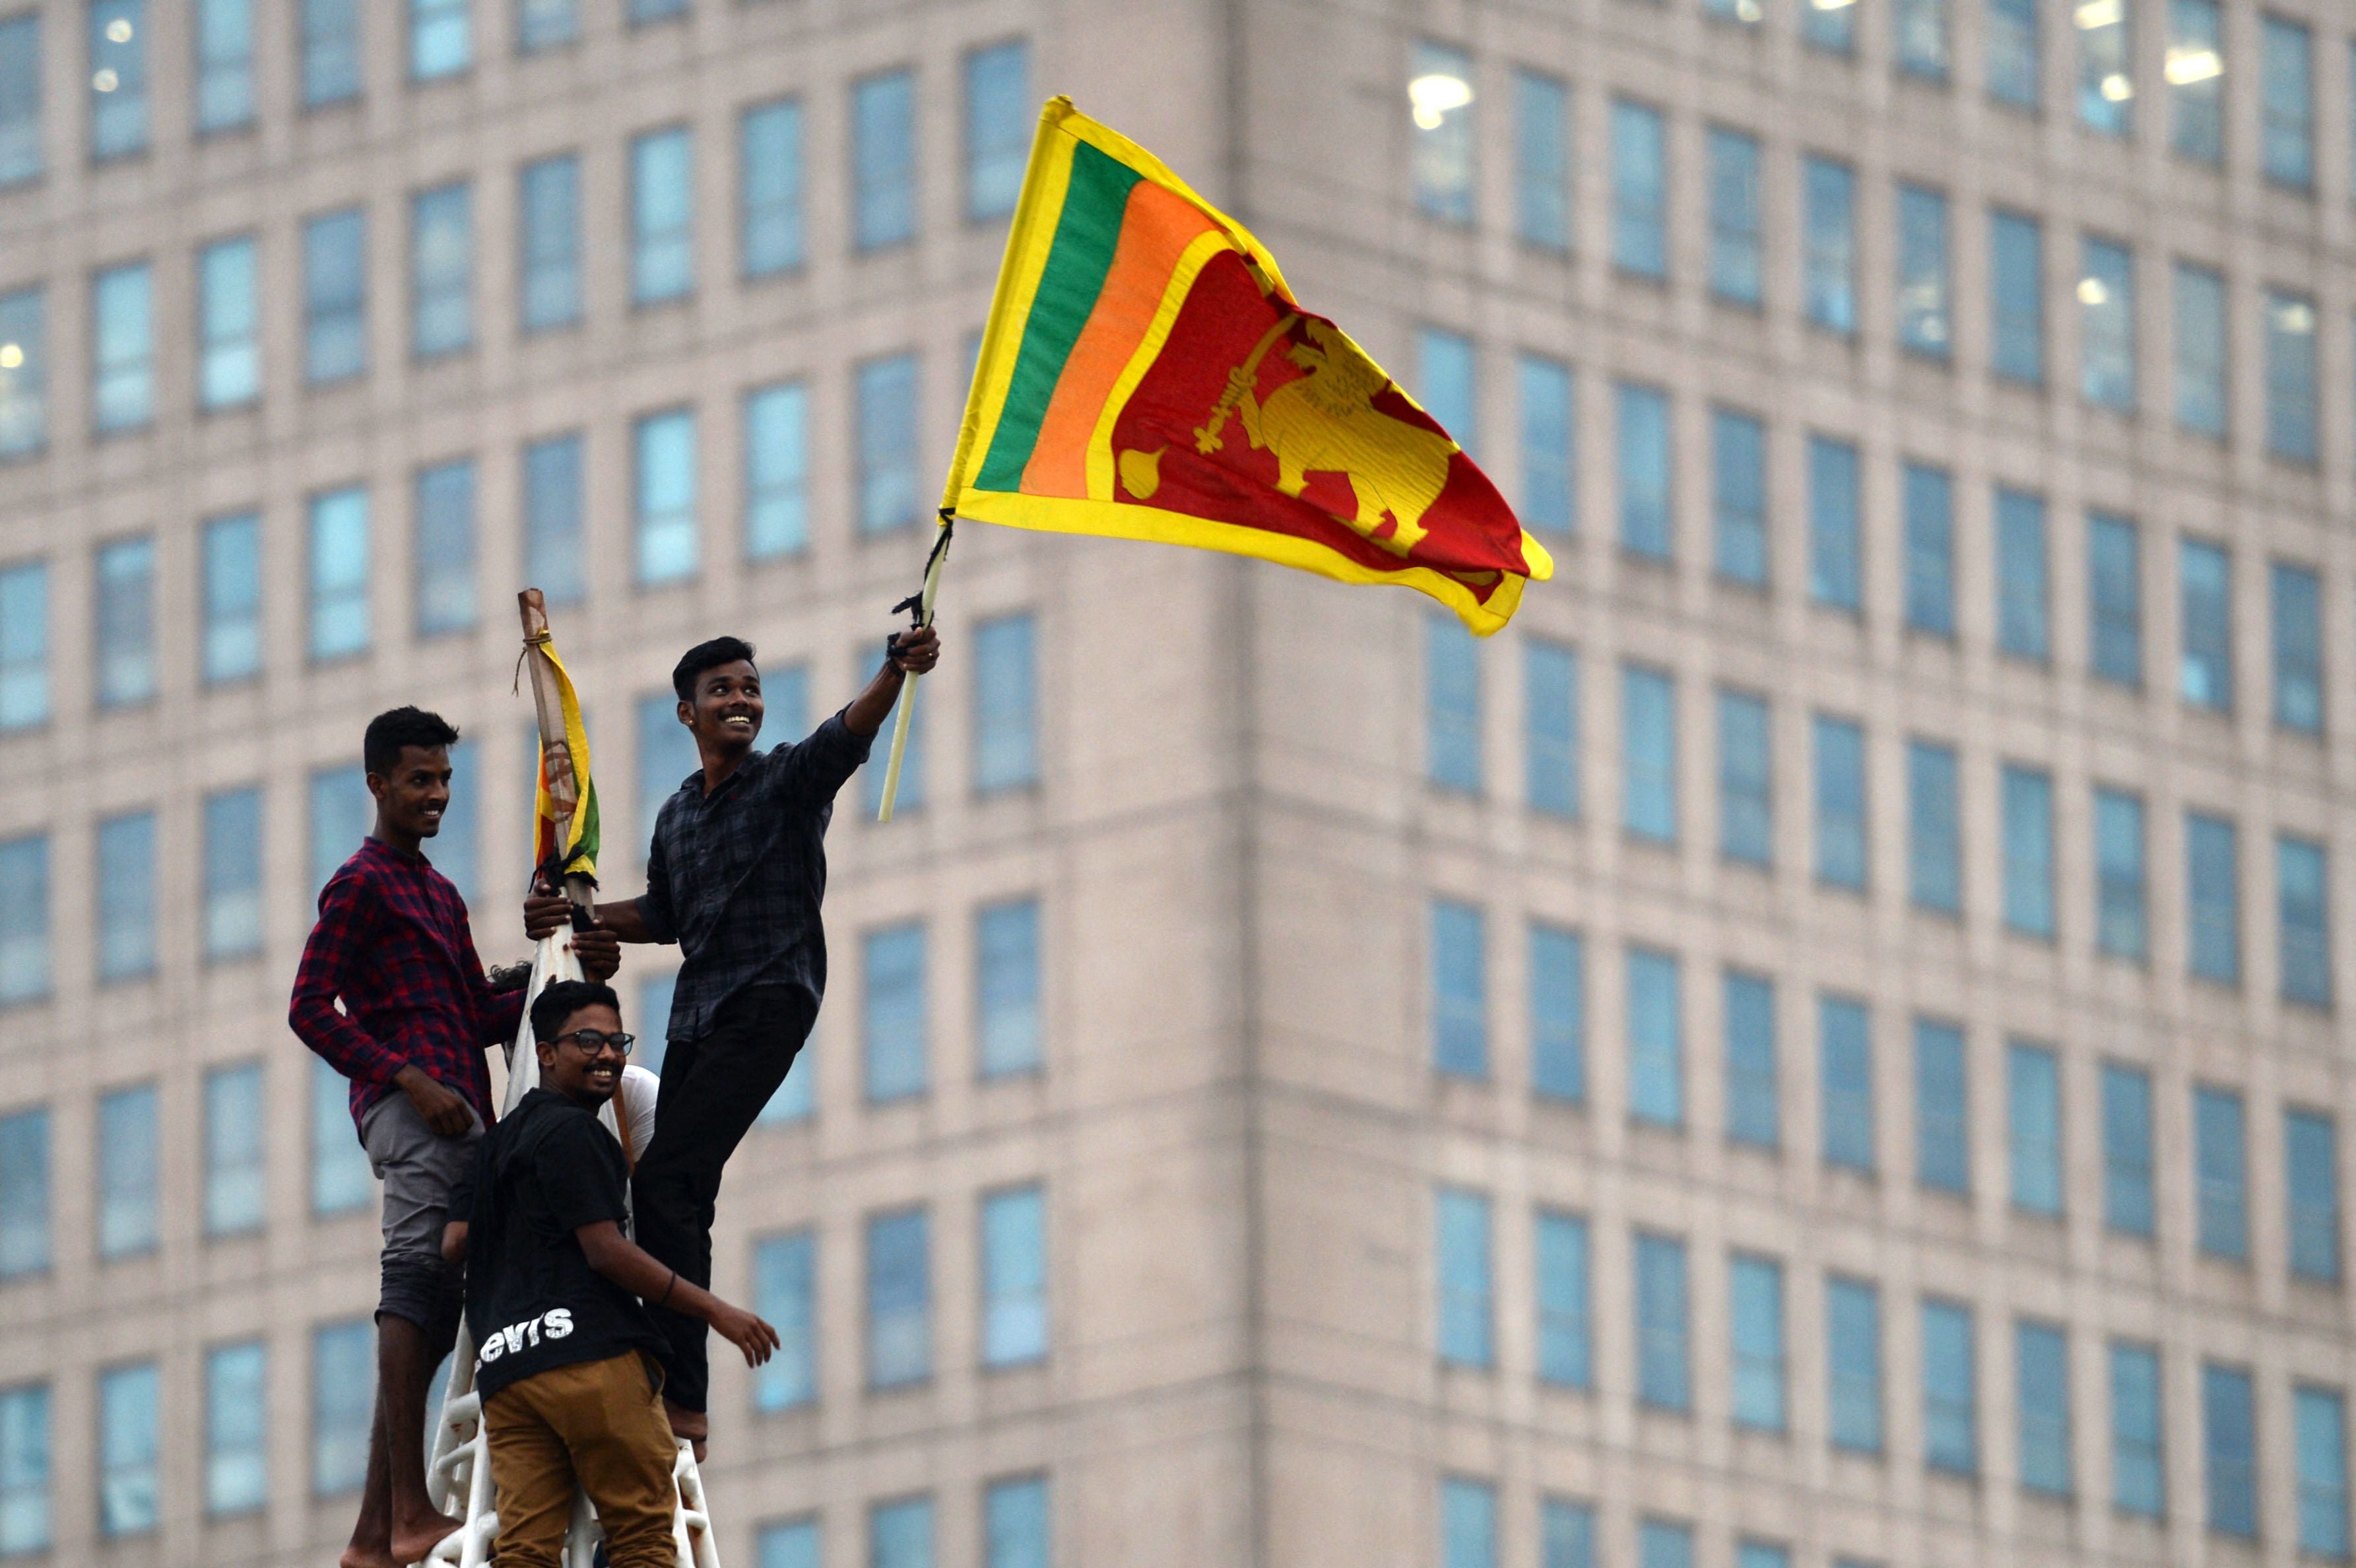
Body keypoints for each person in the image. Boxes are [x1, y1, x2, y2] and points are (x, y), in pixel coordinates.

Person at [527, 624, 940, 1446]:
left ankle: (687, 1398)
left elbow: (847, 736)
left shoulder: (785, 780)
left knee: (672, 1182)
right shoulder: (678, 813)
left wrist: (895, 668)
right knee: (658, 1186)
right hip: (697, 1012)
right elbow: (665, 914)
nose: (741, 701)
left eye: (750, 687)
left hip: (768, 1000)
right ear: (688, 713)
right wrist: (575, 920)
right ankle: (657, 1351)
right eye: (722, 691)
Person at [292, 707, 620, 1568]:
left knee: (436, 1315)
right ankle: (407, 1513)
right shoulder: (360, 882)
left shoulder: (435, 893)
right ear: (378, 784)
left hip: (462, 1114)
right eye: (418, 780)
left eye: (443, 780)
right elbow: (307, 1007)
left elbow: (474, 1013)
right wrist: (405, 1080)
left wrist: (562, 965)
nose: (435, 795)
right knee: (413, 1285)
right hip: (415, 1113)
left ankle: (374, 1535)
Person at [440, 981, 779, 1568]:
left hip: (510, 1375)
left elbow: (453, 1244)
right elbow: (605, 1251)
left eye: (616, 1041)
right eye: (587, 1041)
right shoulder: (576, 1133)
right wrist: (717, 1310)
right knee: (646, 1537)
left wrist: (523, 1217)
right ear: (545, 1053)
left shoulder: (494, 1148)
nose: (608, 1055)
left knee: (523, 1549)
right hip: (591, 1359)